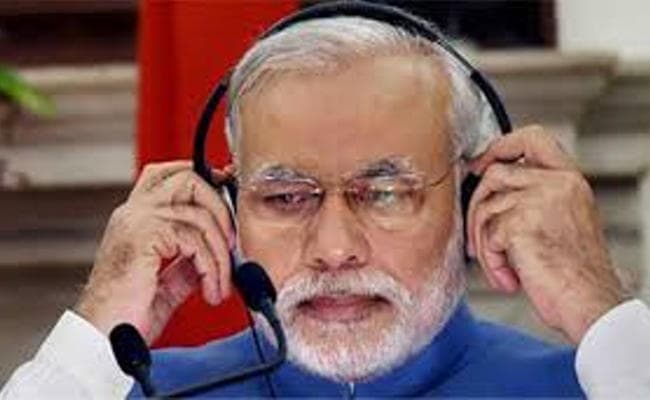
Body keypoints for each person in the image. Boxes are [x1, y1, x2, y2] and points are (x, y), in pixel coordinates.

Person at [3, 8, 650, 399]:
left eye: (385, 192)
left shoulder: (596, 384)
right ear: (225, 212)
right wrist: (96, 330)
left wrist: (600, 309)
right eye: (286, 196)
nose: (334, 249)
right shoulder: (141, 391)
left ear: (471, 200)